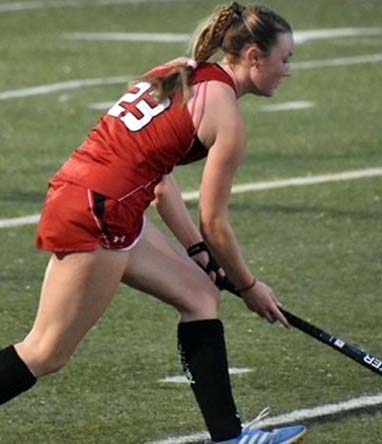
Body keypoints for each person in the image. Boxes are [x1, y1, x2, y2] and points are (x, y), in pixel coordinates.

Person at [0, 2, 306, 443]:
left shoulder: (179, 70)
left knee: (200, 297)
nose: (288, 70)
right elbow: (214, 222)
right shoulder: (226, 117)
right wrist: (249, 285)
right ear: (254, 57)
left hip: (92, 197)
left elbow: (161, 182)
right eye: (285, 59)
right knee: (46, 351)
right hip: (102, 211)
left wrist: (198, 252)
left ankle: (230, 437)